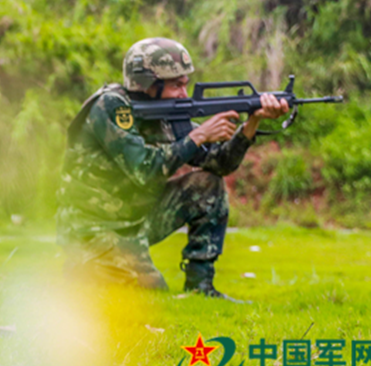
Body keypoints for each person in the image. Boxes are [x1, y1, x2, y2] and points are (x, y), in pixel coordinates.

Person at [56, 37, 289, 301]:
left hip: (136, 220)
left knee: (206, 184)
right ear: (148, 83)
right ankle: (82, 269)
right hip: (94, 230)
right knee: (151, 296)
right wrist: (198, 136)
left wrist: (251, 124)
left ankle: (201, 289)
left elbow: (219, 164)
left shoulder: (165, 113)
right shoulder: (111, 106)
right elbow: (144, 170)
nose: (183, 93)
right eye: (176, 85)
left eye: (185, 84)